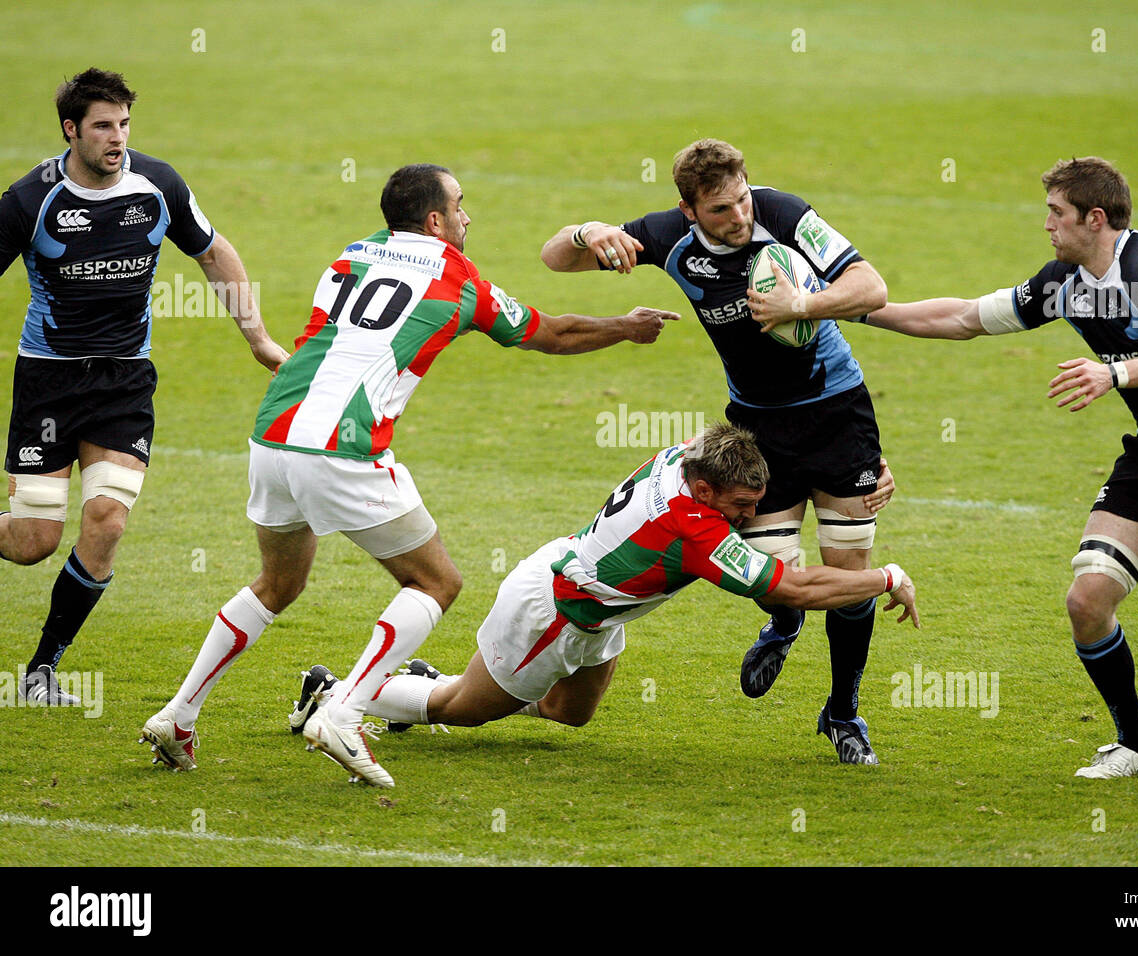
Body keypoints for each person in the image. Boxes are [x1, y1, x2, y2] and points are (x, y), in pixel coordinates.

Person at [138, 163, 677, 788]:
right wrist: (627, 328)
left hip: (273, 433)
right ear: (434, 220)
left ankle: (179, 713)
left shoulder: (352, 253)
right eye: (460, 206)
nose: (467, 217)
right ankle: (342, 712)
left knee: (277, 583)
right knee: (436, 581)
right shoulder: (457, 278)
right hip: (344, 447)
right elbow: (550, 333)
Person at [863, 156, 1138, 793]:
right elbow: (961, 317)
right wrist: (849, 309)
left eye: (1056, 214)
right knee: (1088, 600)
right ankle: (1135, 744)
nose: (1047, 225)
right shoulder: (1064, 281)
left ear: (1095, 219)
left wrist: (1113, 373)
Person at [540, 139, 896, 764]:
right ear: (688, 210)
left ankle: (843, 712)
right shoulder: (666, 238)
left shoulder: (785, 215)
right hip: (757, 429)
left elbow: (871, 287)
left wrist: (802, 304)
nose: (738, 219)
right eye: (719, 212)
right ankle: (784, 625)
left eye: (741, 202)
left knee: (848, 580)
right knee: (771, 573)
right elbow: (554, 260)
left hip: (838, 413)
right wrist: (588, 230)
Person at [295, 423, 919, 767]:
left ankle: (438, 681)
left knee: (572, 713)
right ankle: (340, 695)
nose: (751, 516)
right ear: (704, 491)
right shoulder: (692, 529)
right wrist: (883, 578)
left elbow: (770, 445)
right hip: (556, 612)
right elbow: (795, 586)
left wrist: (862, 463)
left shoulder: (688, 457)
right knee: (463, 710)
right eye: (741, 507)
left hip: (591, 601)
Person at [0, 68, 288, 705]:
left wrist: (258, 337)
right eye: (103, 125)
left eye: (125, 124)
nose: (117, 138)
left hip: (124, 381)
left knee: (106, 521)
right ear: (70, 130)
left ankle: (41, 670)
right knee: (32, 542)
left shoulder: (157, 185)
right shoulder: (30, 200)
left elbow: (213, 252)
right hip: (48, 383)